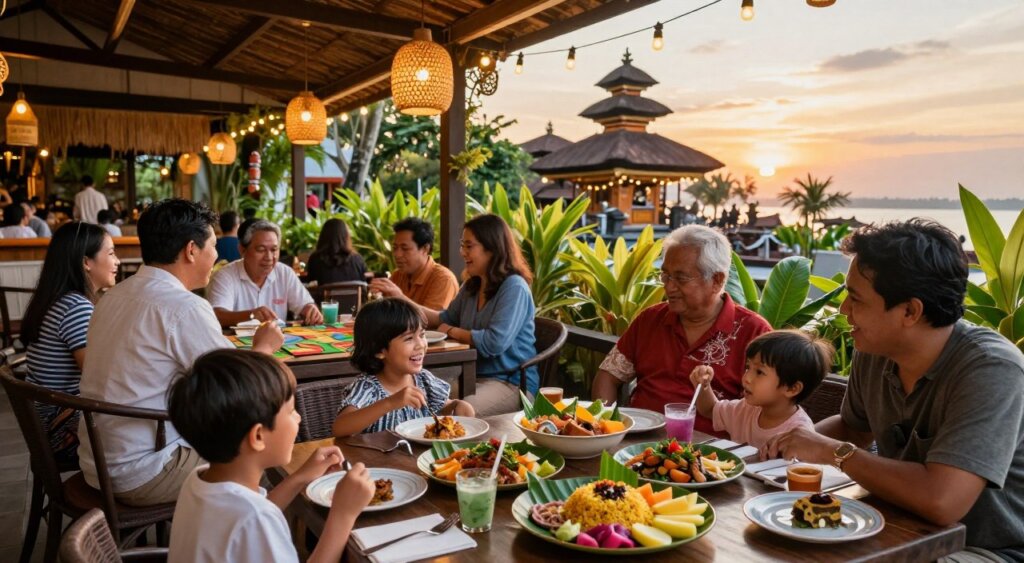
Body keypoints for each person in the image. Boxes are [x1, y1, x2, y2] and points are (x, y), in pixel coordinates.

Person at [772, 220, 1024, 561]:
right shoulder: (875, 350)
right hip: (897, 525)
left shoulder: (992, 370)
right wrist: (779, 451)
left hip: (985, 548)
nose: (844, 309)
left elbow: (943, 501)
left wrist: (835, 453)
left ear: (910, 311)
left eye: (856, 298)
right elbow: (852, 428)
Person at [77, 199, 284, 507]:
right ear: (191, 250)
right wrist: (264, 348)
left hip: (96, 459)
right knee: (265, 454)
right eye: (213, 246)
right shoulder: (183, 307)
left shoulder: (112, 296)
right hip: (143, 469)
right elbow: (241, 389)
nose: (216, 255)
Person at [168, 349, 374, 563]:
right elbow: (254, 517)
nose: (299, 418)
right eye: (291, 411)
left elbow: (252, 511)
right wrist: (343, 515)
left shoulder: (198, 480)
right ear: (258, 435)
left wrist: (300, 477)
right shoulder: (256, 519)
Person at [591, 225, 772, 436]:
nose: (669, 287)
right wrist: (605, 428)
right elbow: (608, 376)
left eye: (681, 278)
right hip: (636, 444)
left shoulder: (754, 332)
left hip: (712, 456)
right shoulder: (650, 319)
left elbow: (762, 412)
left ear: (717, 280)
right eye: (665, 276)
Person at [421, 214, 537, 416]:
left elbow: (493, 343)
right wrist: (401, 302)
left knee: (458, 413)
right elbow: (443, 319)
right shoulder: (472, 285)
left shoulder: (514, 287)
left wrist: (452, 331)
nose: (462, 252)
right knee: (419, 399)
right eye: (462, 245)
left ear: (492, 249)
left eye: (469, 246)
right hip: (469, 376)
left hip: (510, 382)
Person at [21, 222, 119, 462]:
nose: (117, 261)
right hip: (61, 431)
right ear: (87, 262)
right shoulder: (76, 308)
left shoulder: (59, 300)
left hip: (47, 422)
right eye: (111, 253)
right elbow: (97, 377)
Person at [332, 298, 474, 436]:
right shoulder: (368, 387)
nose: (420, 344)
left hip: (418, 458)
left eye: (422, 335)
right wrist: (390, 402)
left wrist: (456, 405)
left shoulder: (423, 380)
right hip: (376, 458)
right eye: (409, 338)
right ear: (379, 351)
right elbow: (340, 427)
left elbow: (443, 406)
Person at [689, 330, 832, 459]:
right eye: (747, 367)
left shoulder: (798, 434)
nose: (746, 378)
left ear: (792, 389)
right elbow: (709, 410)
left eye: (759, 372)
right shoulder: (746, 409)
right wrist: (703, 386)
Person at [207, 219, 322, 327]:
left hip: (277, 343)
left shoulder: (284, 273)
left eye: (274, 250)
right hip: (236, 346)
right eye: (261, 250)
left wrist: (310, 309)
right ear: (242, 250)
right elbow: (217, 314)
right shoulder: (225, 276)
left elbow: (305, 305)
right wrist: (251, 315)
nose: (269, 257)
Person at [369, 218, 459, 310]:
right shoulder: (398, 275)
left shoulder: (443, 279)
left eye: (405, 248)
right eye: (395, 248)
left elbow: (433, 321)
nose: (397, 254)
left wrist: (399, 297)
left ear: (425, 249)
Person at [305, 218, 368, 285]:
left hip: (325, 296)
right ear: (346, 236)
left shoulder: (315, 260)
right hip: (353, 295)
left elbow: (311, 285)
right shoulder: (357, 259)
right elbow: (364, 285)